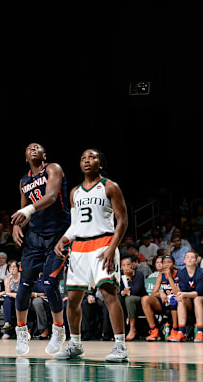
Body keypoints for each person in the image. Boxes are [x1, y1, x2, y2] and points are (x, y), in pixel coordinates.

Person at [53, 149, 129, 362]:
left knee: (108, 293)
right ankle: (75, 345)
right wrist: (63, 239)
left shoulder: (109, 186)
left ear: (100, 163)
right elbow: (75, 225)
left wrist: (113, 247)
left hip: (103, 243)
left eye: (92, 157)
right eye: (83, 158)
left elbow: (122, 221)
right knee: (73, 299)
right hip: (79, 248)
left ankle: (120, 346)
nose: (87, 161)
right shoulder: (75, 192)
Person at [10, 143, 71, 356]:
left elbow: (51, 197)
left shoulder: (53, 169)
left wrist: (25, 210)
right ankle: (21, 331)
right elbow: (25, 212)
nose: (33, 148)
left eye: (38, 147)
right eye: (29, 147)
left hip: (58, 236)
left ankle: (58, 330)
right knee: (23, 287)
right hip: (35, 239)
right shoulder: (23, 181)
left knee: (50, 283)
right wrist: (18, 224)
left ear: (44, 155)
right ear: (26, 157)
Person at [172, 251, 203, 342]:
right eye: (187, 257)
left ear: (196, 261)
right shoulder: (181, 273)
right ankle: (181, 332)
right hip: (189, 299)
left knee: (197, 299)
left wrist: (184, 294)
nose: (189, 259)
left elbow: (199, 292)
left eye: (192, 257)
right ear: (184, 260)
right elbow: (183, 290)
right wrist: (182, 294)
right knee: (180, 300)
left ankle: (200, 332)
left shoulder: (202, 272)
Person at [141, 256, 180, 342]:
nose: (166, 264)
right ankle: (154, 330)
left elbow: (177, 293)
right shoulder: (160, 276)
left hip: (179, 301)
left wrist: (169, 277)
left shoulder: (179, 274)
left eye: (169, 262)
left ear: (174, 264)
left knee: (174, 298)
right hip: (165, 301)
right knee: (145, 299)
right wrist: (161, 293)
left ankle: (175, 330)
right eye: (164, 262)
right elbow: (154, 293)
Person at [118, 256, 147, 341]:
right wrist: (122, 292)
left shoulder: (139, 275)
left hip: (139, 300)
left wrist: (129, 279)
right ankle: (120, 330)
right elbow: (116, 290)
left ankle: (132, 329)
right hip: (125, 299)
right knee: (117, 298)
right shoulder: (119, 275)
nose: (126, 267)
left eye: (128, 265)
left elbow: (135, 291)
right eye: (123, 265)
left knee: (129, 299)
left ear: (132, 265)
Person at [0, 260, 20, 339]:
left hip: (21, 299)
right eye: (10, 267)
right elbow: (8, 292)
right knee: (7, 300)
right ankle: (7, 324)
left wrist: (5, 292)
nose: (12, 269)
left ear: (18, 268)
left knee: (11, 298)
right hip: (11, 297)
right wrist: (8, 281)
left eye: (14, 267)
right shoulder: (7, 278)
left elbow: (19, 295)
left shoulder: (22, 277)